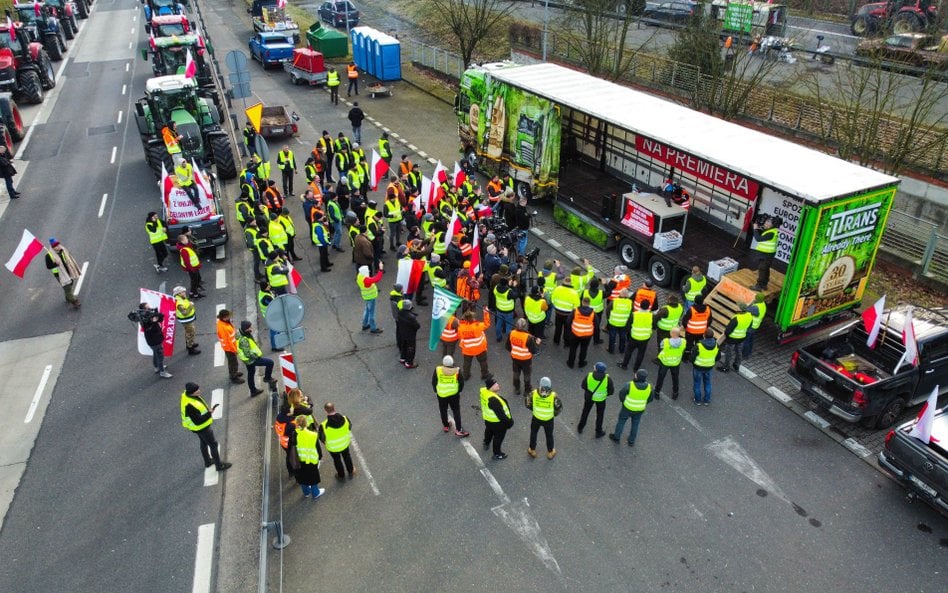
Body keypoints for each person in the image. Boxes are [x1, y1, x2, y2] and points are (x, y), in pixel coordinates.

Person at [180, 383, 231, 471]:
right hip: (202, 427)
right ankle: (219, 466)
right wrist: (209, 413)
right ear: (192, 393)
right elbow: (198, 421)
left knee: (203, 443)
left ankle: (207, 461)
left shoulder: (187, 396)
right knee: (213, 444)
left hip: (197, 428)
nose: (199, 391)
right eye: (197, 390)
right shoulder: (190, 406)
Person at [610, 369, 652, 447]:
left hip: (627, 408)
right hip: (640, 409)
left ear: (637, 376)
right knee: (635, 424)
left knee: (621, 421)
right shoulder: (649, 387)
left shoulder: (630, 385)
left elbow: (621, 394)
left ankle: (616, 437)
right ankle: (631, 440)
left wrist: (623, 401)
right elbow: (650, 399)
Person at [432, 356, 470, 437]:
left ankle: (446, 426)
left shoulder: (438, 369)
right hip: (454, 394)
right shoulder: (457, 370)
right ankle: (459, 430)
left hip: (441, 394)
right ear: (452, 363)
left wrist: (436, 390)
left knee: (443, 410)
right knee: (456, 411)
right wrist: (458, 391)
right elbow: (461, 383)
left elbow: (434, 381)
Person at [236, 320, 277, 397]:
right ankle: (267, 378)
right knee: (270, 362)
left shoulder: (241, 333)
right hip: (251, 359)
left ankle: (253, 391)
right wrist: (257, 357)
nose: (251, 328)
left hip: (247, 360)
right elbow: (248, 353)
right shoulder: (244, 340)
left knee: (251, 373)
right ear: (246, 329)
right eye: (250, 327)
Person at [525, 376, 562, 459]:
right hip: (548, 419)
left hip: (536, 417)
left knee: (533, 433)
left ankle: (532, 449)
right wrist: (553, 414)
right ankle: (550, 452)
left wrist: (533, 409)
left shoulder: (533, 393)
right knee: (549, 435)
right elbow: (559, 408)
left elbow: (527, 403)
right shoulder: (553, 395)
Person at [320, 402, 357, 479]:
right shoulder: (345, 419)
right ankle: (351, 470)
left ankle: (341, 475)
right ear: (334, 408)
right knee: (347, 456)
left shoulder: (323, 425)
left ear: (326, 411)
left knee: (337, 460)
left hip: (333, 448)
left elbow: (321, 438)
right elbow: (349, 427)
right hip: (345, 444)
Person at [293, 415, 326, 499]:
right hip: (311, 459)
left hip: (299, 460)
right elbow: (318, 448)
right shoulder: (313, 435)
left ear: (297, 424)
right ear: (306, 424)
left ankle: (306, 492)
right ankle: (316, 493)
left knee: (302, 477)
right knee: (313, 476)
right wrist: (319, 457)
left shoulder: (294, 434)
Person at [577, 362, 613, 437]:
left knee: (585, 412)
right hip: (601, 400)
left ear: (596, 369)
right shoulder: (607, 379)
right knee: (600, 415)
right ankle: (598, 431)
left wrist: (589, 391)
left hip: (589, 398)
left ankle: (580, 427)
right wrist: (604, 394)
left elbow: (583, 386)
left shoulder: (589, 375)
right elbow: (611, 391)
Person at [481, 377, 512, 460]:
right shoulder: (494, 400)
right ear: (491, 387)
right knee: (498, 437)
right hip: (497, 423)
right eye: (495, 384)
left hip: (488, 419)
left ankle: (486, 442)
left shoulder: (485, 393)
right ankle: (497, 454)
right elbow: (501, 415)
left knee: (489, 431)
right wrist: (509, 422)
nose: (497, 385)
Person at [507, 318, 540, 396]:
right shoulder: (528, 337)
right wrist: (537, 343)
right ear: (525, 327)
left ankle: (517, 389)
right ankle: (527, 390)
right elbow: (534, 351)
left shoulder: (511, 333)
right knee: (527, 375)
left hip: (515, 359)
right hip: (526, 360)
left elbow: (508, 347)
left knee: (516, 374)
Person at [45, 238, 81, 308]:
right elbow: (48, 266)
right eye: (56, 246)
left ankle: (68, 297)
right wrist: (55, 264)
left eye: (58, 245)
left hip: (67, 270)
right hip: (59, 274)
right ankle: (74, 301)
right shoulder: (48, 255)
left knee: (70, 283)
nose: (58, 247)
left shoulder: (62, 250)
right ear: (52, 247)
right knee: (67, 287)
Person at [139, 302, 172, 378]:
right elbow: (150, 328)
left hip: (153, 340)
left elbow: (160, 318)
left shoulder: (147, 316)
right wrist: (153, 321)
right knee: (160, 356)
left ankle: (156, 367)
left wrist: (156, 315)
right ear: (144, 310)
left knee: (155, 353)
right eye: (147, 308)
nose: (150, 309)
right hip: (155, 340)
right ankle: (162, 371)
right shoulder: (145, 320)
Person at [458, 307, 491, 381]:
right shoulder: (478, 326)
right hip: (479, 348)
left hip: (467, 348)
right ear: (472, 318)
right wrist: (486, 312)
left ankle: (466, 375)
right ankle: (485, 374)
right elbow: (487, 324)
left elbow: (459, 335)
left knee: (467, 363)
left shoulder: (461, 327)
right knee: (483, 361)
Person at [619, 299, 653, 371]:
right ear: (648, 307)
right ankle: (636, 368)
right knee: (641, 353)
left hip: (634, 336)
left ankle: (624, 365)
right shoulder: (651, 315)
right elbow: (653, 325)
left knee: (629, 351)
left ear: (640, 305)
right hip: (645, 337)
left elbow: (628, 325)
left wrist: (625, 332)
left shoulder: (634, 314)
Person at [719, 305, 754, 373]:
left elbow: (728, 330)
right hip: (741, 337)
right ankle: (736, 365)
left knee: (729, 353)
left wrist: (727, 336)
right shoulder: (750, 316)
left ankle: (726, 368)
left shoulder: (736, 318)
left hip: (732, 339)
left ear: (740, 310)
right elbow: (750, 326)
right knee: (739, 352)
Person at [654, 327, 686, 400]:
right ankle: (675, 393)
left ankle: (657, 392)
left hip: (665, 362)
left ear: (671, 333)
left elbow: (661, 348)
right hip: (675, 363)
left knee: (661, 378)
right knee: (675, 378)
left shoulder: (665, 341)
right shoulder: (683, 342)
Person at [216, 309, 244, 384]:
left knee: (233, 362)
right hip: (229, 348)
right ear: (224, 317)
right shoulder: (223, 327)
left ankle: (234, 373)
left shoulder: (223, 322)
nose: (230, 317)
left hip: (230, 347)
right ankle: (234, 377)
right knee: (233, 363)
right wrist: (234, 350)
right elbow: (227, 341)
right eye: (228, 316)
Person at [750, 216, 779, 291]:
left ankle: (759, 286)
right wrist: (758, 228)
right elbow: (761, 233)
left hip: (767, 255)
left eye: (767, 223)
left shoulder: (771, 233)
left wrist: (755, 229)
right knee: (765, 269)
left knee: (762, 269)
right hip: (766, 254)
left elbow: (758, 239)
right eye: (766, 222)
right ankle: (764, 285)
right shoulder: (769, 231)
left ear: (771, 225)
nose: (765, 224)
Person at [692, 329, 720, 405]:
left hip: (698, 367)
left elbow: (692, 357)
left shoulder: (699, 345)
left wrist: (694, 363)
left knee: (697, 383)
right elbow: (718, 357)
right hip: (709, 367)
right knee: (707, 383)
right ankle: (706, 400)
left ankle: (698, 400)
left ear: (704, 335)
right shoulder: (716, 345)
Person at [550, 277, 580, 346]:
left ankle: (556, 340)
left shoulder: (557, 289)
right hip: (568, 314)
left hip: (558, 312)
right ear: (570, 282)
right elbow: (577, 306)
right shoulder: (574, 292)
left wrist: (556, 307)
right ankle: (566, 343)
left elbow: (552, 300)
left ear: (563, 281)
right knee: (567, 329)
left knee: (558, 327)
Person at [567, 297, 595, 369]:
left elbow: (568, 321)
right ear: (589, 303)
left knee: (573, 348)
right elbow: (596, 324)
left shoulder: (575, 311)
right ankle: (581, 363)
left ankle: (570, 363)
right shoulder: (592, 313)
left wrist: (570, 330)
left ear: (582, 302)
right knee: (584, 349)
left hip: (575, 333)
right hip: (587, 335)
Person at [356, 263, 385, 334]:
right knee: (372, 313)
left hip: (366, 296)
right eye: (367, 270)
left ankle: (365, 324)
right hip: (371, 297)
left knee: (367, 310)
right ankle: (373, 328)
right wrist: (380, 269)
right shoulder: (366, 280)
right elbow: (377, 278)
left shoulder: (359, 276)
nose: (369, 271)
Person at [681, 294, 712, 358]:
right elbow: (710, 320)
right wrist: (705, 327)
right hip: (701, 331)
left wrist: (686, 327)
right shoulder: (708, 309)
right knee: (698, 344)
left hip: (690, 331)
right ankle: (696, 356)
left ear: (695, 301)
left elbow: (684, 320)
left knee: (689, 345)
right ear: (703, 301)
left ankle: (686, 357)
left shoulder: (692, 310)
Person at [173, 286, 200, 355]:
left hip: (188, 320)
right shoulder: (179, 303)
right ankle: (190, 348)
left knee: (188, 332)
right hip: (186, 320)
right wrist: (190, 305)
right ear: (178, 293)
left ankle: (190, 344)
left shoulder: (181, 298)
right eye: (182, 292)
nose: (184, 292)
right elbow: (185, 313)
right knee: (190, 333)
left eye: (184, 291)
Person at [177, 233, 205, 298]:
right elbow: (187, 262)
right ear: (182, 241)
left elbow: (190, 246)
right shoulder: (184, 250)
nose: (187, 240)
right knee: (194, 281)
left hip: (194, 267)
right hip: (192, 268)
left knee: (196, 280)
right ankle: (195, 294)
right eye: (186, 239)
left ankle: (192, 292)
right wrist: (191, 269)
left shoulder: (185, 247)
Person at [492, 276, 518, 343]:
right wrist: (514, 287)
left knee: (499, 324)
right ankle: (509, 339)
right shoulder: (509, 292)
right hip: (508, 311)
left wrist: (508, 286)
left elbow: (501, 289)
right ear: (506, 284)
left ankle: (499, 337)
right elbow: (515, 295)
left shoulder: (495, 288)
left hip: (499, 309)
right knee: (508, 326)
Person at [396, 299, 421, 369]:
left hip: (402, 333)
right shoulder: (411, 317)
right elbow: (417, 326)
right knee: (411, 349)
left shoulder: (400, 312)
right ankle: (409, 363)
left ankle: (403, 358)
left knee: (404, 346)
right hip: (410, 335)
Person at [606, 289, 632, 355]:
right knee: (623, 336)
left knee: (612, 336)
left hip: (613, 322)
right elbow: (631, 313)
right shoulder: (630, 302)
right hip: (624, 323)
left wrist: (609, 318)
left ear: (620, 294)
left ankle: (611, 349)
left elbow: (608, 310)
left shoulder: (614, 301)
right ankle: (622, 349)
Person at [743, 294, 767, 359]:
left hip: (751, 326)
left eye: (756, 298)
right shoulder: (763, 304)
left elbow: (746, 309)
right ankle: (749, 352)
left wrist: (742, 304)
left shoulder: (756, 307)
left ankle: (745, 355)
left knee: (746, 341)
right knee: (751, 340)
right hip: (756, 326)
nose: (755, 299)